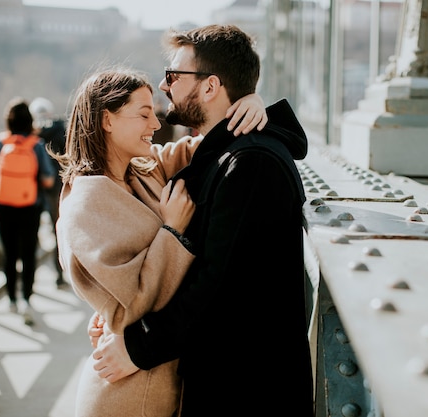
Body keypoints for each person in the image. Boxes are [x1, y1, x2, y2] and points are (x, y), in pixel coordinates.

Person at [91, 25, 314, 416]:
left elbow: (216, 286)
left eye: (174, 76)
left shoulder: (250, 164)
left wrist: (137, 348)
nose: (165, 85)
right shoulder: (230, 155)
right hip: (234, 380)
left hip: (245, 390)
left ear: (210, 87)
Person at [54, 66, 268, 417]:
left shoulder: (143, 169)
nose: (156, 124)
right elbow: (132, 301)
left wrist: (250, 104)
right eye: (143, 114)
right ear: (107, 120)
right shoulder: (86, 204)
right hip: (127, 394)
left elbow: (204, 146)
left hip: (154, 377)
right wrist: (172, 230)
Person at [0, 97, 56, 326]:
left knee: (9, 253)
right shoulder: (36, 145)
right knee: (28, 253)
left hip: (3, 206)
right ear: (29, 121)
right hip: (30, 207)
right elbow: (48, 179)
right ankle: (27, 300)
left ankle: (11, 299)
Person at [29, 97, 68, 288]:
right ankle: (59, 276)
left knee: (30, 232)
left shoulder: (32, 134)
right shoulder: (61, 130)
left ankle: (28, 278)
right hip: (56, 188)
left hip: (33, 188)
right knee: (57, 231)